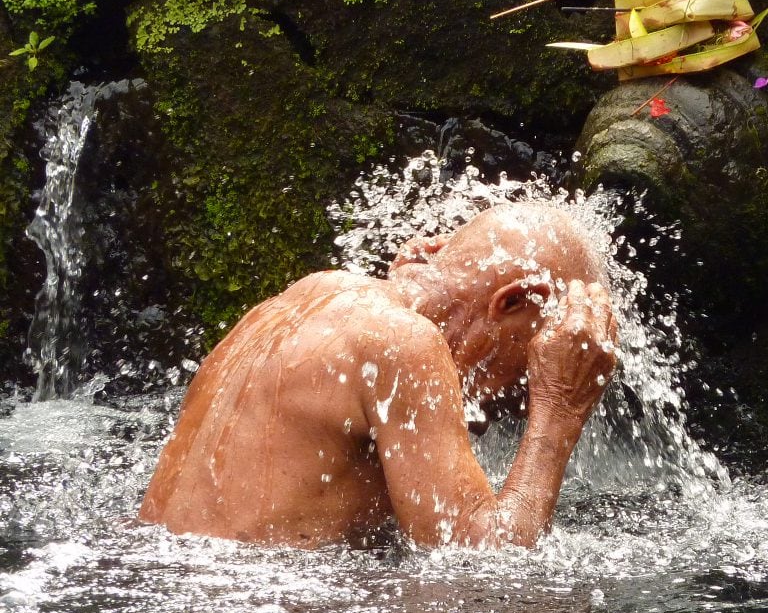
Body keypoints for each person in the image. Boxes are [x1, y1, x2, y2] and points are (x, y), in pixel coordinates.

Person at [138, 203, 618, 549]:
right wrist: (558, 409)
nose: (500, 408)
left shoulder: (312, 293)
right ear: (512, 301)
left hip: (162, 588)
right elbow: (483, 561)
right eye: (528, 370)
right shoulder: (403, 344)